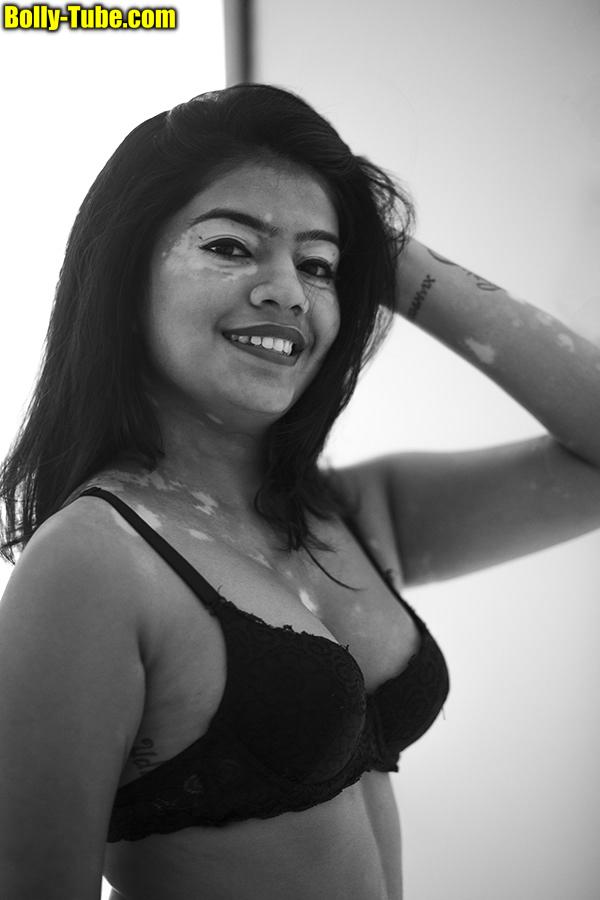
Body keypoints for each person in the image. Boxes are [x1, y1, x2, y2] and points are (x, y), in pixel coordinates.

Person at [0, 84, 599, 900]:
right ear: (124, 276)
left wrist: (396, 261)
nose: (287, 290)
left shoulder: (350, 519)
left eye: (319, 266)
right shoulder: (93, 562)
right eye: (231, 247)